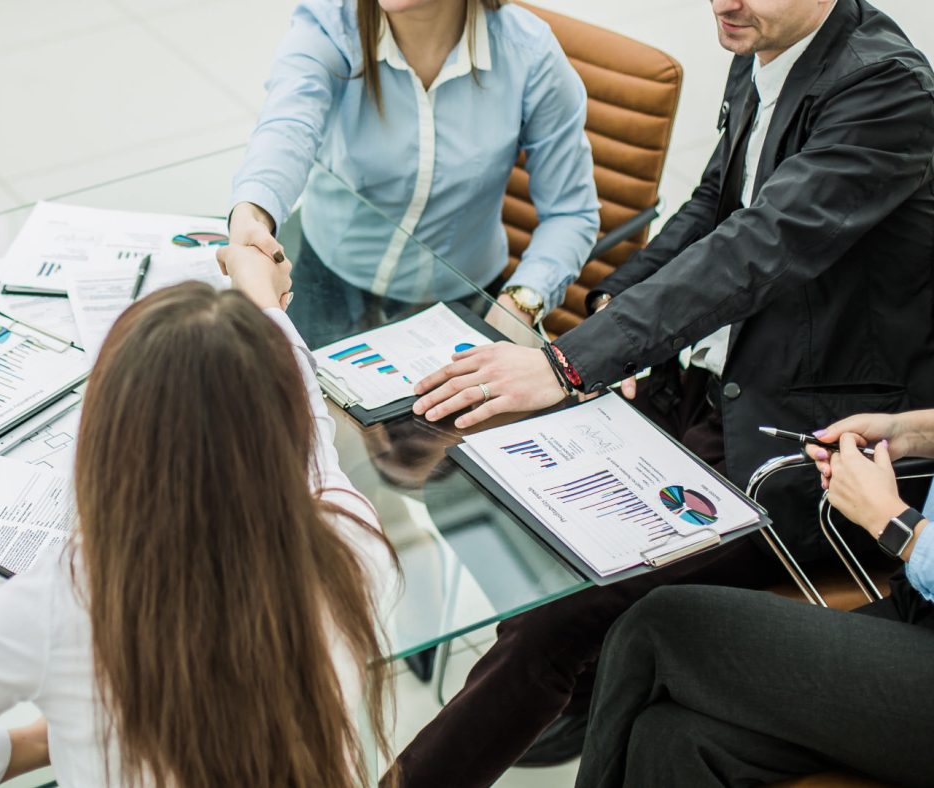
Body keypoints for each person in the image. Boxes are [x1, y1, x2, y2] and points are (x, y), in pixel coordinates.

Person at [394, 0, 934, 783]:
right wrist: (623, 298)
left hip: (799, 439)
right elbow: (718, 203)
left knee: (561, 608)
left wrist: (572, 365)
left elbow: (760, 245)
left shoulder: (886, 93)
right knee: (470, 474)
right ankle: (562, 684)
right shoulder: (768, 41)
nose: (726, 0)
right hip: (703, 389)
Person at [0, 249, 401, 787]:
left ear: (111, 442)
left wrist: (23, 747)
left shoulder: (74, 596)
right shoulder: (353, 541)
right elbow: (312, 431)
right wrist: (261, 301)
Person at [575, 410, 934, 786]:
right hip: (917, 604)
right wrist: (906, 433)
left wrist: (898, 526)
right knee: (671, 736)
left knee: (664, 625)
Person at [228, 0, 598, 345]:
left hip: (460, 301)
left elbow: (571, 212)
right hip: (326, 278)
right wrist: (252, 215)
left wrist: (520, 304)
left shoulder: (528, 53)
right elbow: (286, 130)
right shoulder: (331, 23)